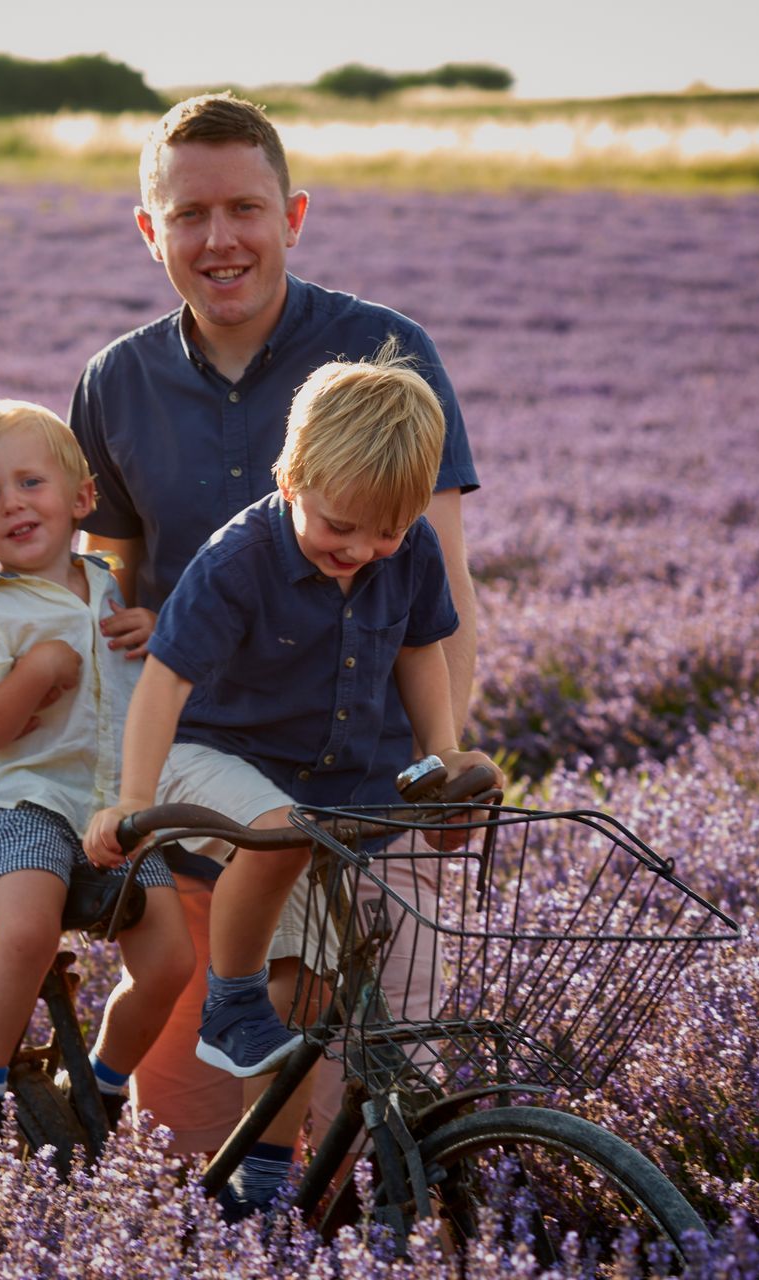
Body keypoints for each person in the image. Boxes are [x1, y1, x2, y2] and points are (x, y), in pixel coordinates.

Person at [67, 93, 481, 1160]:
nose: (221, 239)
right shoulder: (116, 382)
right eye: (190, 213)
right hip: (218, 811)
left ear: (292, 213)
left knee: (390, 1109)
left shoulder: (388, 357)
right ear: (149, 229)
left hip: (379, 793)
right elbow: (118, 594)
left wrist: (440, 776)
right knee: (211, 1130)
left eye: (245, 207)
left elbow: (435, 596)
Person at [85, 345, 505, 1214]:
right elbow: (164, 681)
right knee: (276, 836)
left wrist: (441, 757)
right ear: (290, 476)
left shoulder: (409, 547)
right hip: (202, 758)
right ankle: (229, 999)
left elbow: (420, 650)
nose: (362, 550)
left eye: (384, 532)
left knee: (307, 990)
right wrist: (134, 799)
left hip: (325, 793)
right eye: (339, 527)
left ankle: (262, 1182)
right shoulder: (238, 557)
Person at [0, 400, 194, 1152]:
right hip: (25, 803)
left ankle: (104, 1083)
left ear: (82, 498)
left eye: (30, 482)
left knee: (173, 959)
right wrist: (35, 671)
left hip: (113, 807)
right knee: (28, 930)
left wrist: (158, 630)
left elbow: (151, 676)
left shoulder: (110, 584)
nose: (12, 503)